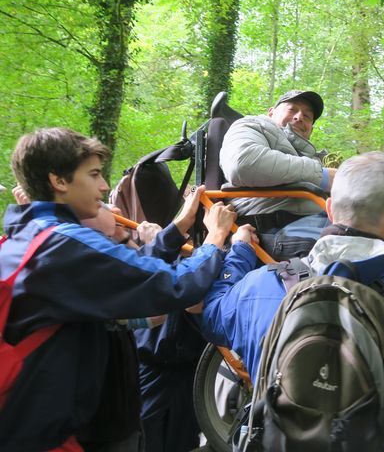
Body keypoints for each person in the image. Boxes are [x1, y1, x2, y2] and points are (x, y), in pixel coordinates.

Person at [0, 127, 236, 452]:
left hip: (34, 421)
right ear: (60, 181)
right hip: (62, 434)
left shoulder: (33, 237)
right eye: (94, 174)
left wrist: (178, 228)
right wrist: (215, 238)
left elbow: (127, 270)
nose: (104, 186)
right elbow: (173, 285)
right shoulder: (65, 245)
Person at [201, 152, 384, 392]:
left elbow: (212, 316)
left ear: (329, 208)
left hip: (276, 428)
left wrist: (240, 250)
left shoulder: (258, 287)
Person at [219, 90, 337, 258]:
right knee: (358, 246)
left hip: (318, 221)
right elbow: (242, 164)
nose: (299, 117)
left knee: (374, 240)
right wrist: (323, 176)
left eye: (307, 116)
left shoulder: (314, 157)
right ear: (271, 112)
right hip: (268, 228)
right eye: (292, 109)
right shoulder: (251, 125)